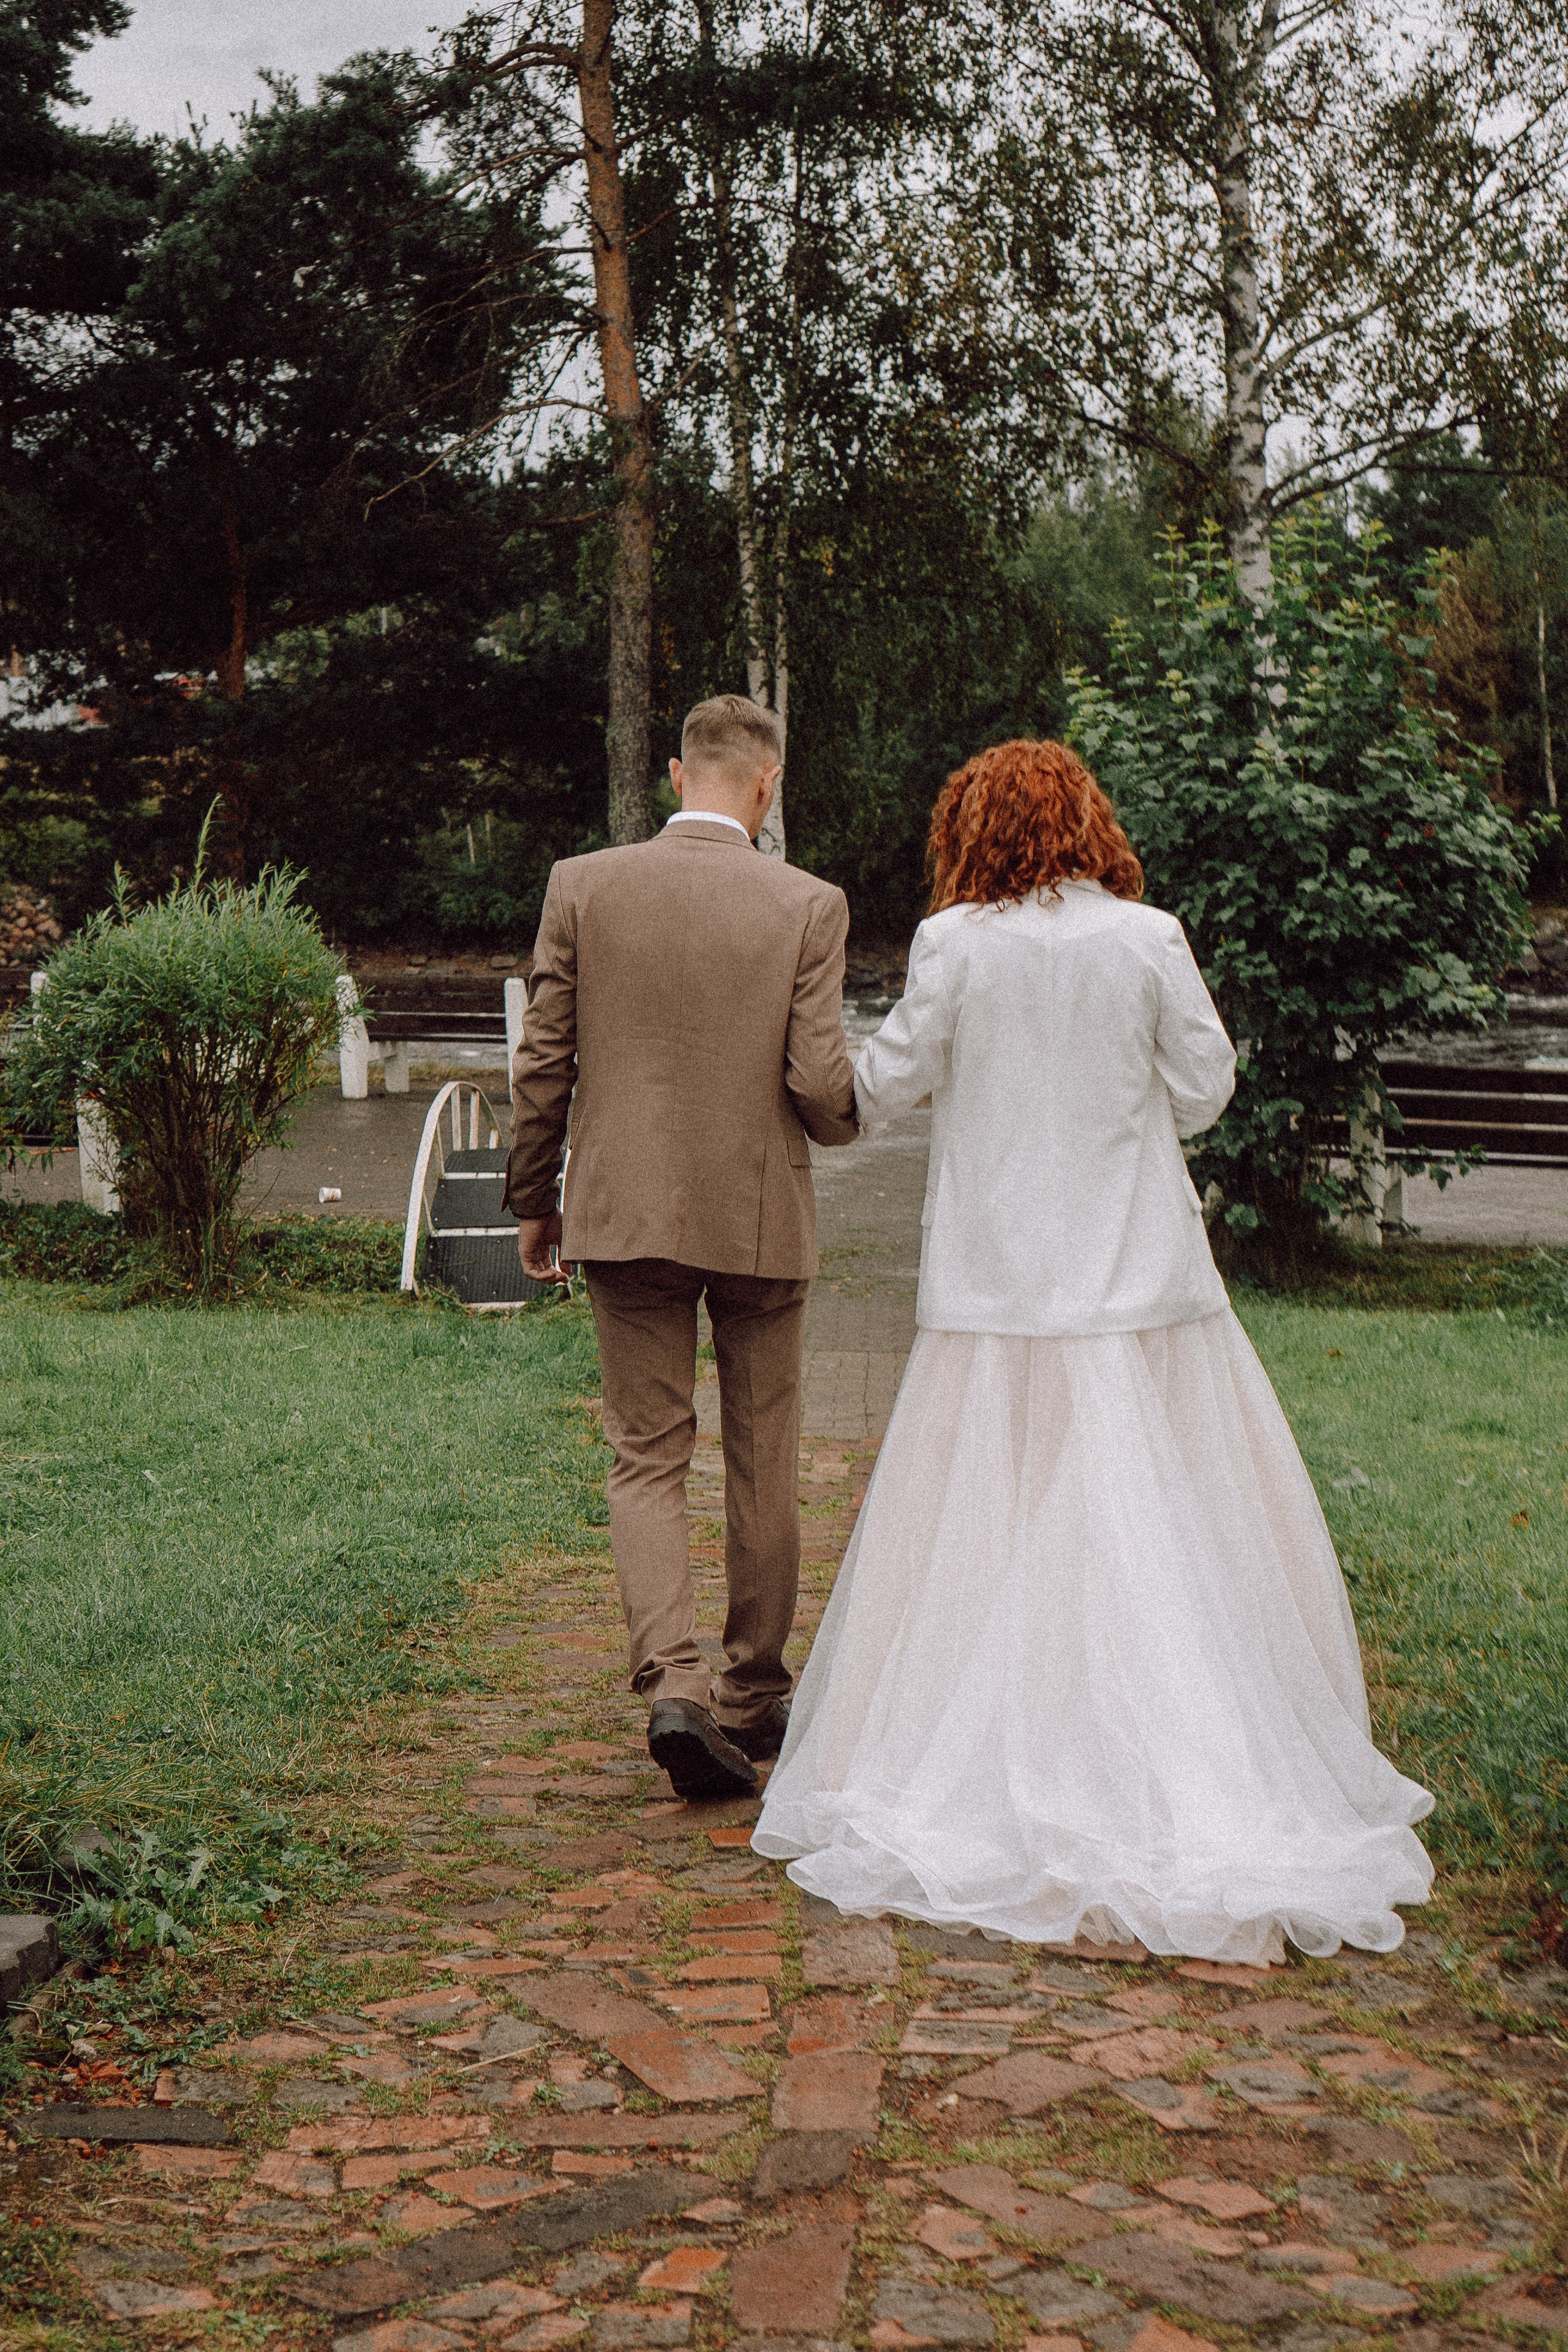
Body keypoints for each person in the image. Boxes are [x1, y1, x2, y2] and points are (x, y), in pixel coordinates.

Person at [754, 738, 1433, 1964]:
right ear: (1086, 821)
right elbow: (1206, 1082)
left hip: (997, 1275)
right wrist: (1126, 1119)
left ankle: (1003, 1733)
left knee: (989, 1509)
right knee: (1153, 1510)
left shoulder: (954, 943)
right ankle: (1166, 1742)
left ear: (968, 829)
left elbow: (891, 1082)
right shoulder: (1146, 934)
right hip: (1136, 1271)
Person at [506, 693, 859, 1801]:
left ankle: (674, 1682)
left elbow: (542, 1059)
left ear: (673, 774)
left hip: (623, 1214)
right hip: (759, 1220)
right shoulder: (808, 904)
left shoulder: (584, 886)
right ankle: (755, 1691)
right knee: (765, 1452)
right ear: (769, 784)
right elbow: (819, 1088)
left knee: (645, 1451)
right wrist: (849, 1117)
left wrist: (534, 1199)